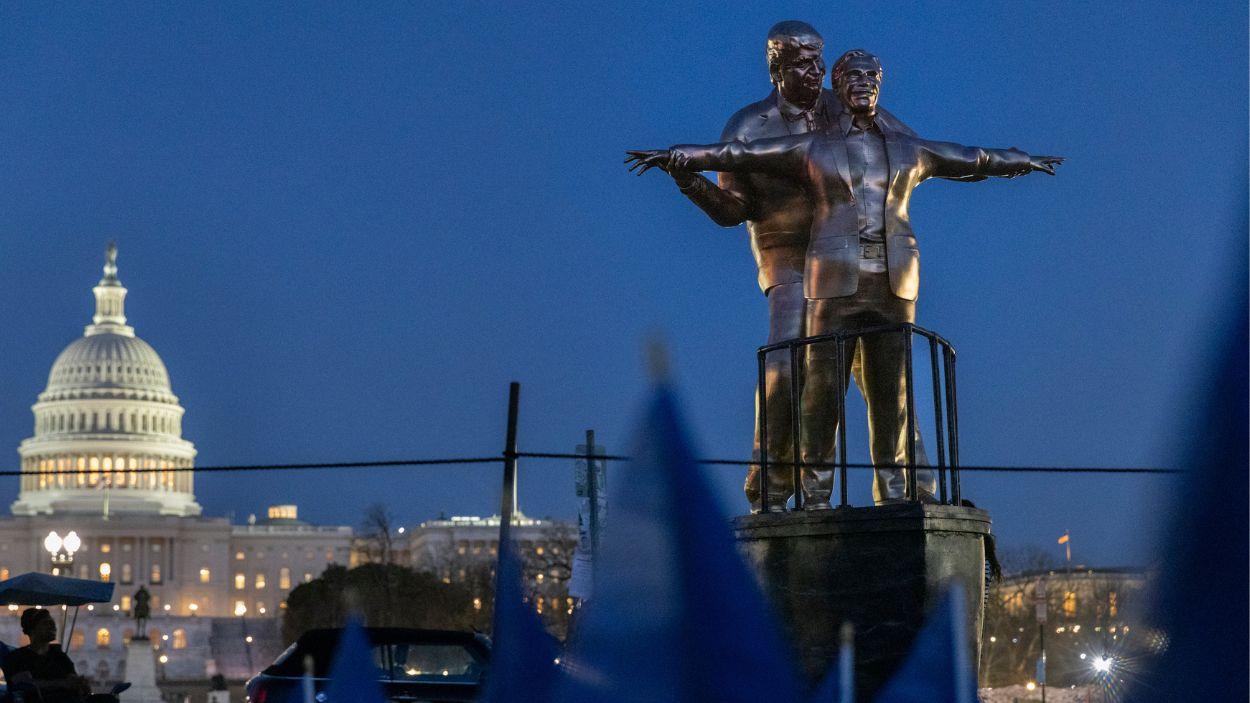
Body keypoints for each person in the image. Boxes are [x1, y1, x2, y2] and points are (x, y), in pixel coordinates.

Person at [627, 49, 1062, 505]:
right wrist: (683, 160)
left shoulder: (904, 143)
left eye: (870, 76)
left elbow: (969, 158)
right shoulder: (799, 140)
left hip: (894, 277)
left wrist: (1019, 160)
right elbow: (740, 156)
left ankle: (901, 491)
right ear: (779, 69)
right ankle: (803, 492)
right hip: (823, 273)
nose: (860, 83)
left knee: (893, 391)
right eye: (850, 76)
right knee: (814, 386)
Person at [657, 21, 920, 511]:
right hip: (787, 255)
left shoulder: (843, 106)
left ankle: (910, 486)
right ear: (775, 67)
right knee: (786, 361)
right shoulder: (749, 126)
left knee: (885, 366)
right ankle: (773, 491)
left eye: (819, 60)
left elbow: (907, 144)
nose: (816, 71)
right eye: (802, 62)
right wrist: (688, 182)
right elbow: (732, 212)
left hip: (850, 255)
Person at [2, 608, 92, 703]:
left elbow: (71, 677)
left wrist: (79, 683)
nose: (53, 627)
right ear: (32, 629)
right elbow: (24, 684)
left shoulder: (60, 656)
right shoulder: (16, 658)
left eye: (52, 623)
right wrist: (62, 683)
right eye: (46, 623)